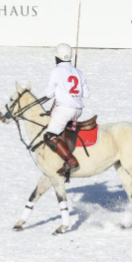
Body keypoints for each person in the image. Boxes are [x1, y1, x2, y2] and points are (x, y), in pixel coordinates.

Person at [43, 43, 88, 176]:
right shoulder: (78, 72)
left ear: (59, 57)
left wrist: (59, 90)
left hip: (65, 109)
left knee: (50, 135)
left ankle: (70, 160)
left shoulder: (56, 71)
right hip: (78, 110)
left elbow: (48, 94)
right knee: (63, 131)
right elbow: (86, 94)